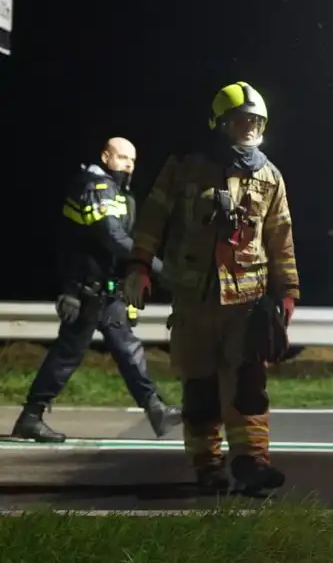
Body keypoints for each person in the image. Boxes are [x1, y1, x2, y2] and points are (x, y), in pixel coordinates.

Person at [124, 81, 299, 496]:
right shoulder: (186, 166)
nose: (251, 127)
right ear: (221, 123)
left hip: (249, 303)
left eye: (256, 121)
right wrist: (139, 266)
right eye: (242, 120)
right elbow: (153, 216)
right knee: (200, 386)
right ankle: (209, 465)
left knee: (249, 385)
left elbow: (281, 237)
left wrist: (287, 293)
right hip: (194, 301)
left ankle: (252, 463)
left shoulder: (270, 177)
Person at [12, 137, 181, 442]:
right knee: (68, 355)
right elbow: (113, 238)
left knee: (128, 349)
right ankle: (31, 416)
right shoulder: (94, 187)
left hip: (106, 291)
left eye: (132, 159)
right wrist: (161, 269)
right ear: (106, 156)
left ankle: (156, 409)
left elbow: (118, 248)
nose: (128, 164)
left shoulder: (118, 192)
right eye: (122, 157)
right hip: (85, 292)